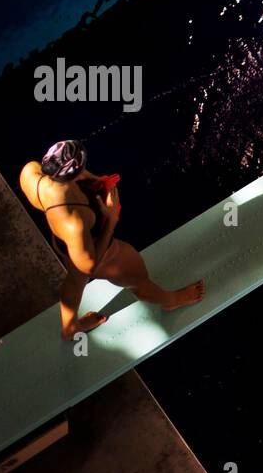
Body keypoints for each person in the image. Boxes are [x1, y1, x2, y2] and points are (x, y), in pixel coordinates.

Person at [19, 139, 205, 339]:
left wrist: (96, 180)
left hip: (62, 244)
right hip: (99, 253)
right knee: (138, 278)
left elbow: (75, 176)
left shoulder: (31, 173)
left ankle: (69, 328)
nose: (85, 171)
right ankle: (170, 301)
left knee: (74, 282)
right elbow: (88, 266)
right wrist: (110, 218)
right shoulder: (74, 220)